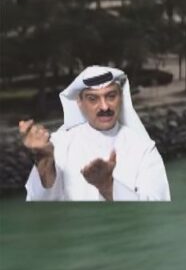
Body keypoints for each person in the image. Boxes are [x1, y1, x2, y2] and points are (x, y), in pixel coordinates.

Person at [17, 65, 171, 201]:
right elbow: (40, 207)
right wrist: (44, 159)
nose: (104, 107)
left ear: (121, 97)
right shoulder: (58, 144)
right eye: (93, 99)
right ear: (79, 103)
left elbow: (155, 211)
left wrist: (108, 186)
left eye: (111, 96)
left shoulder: (144, 149)